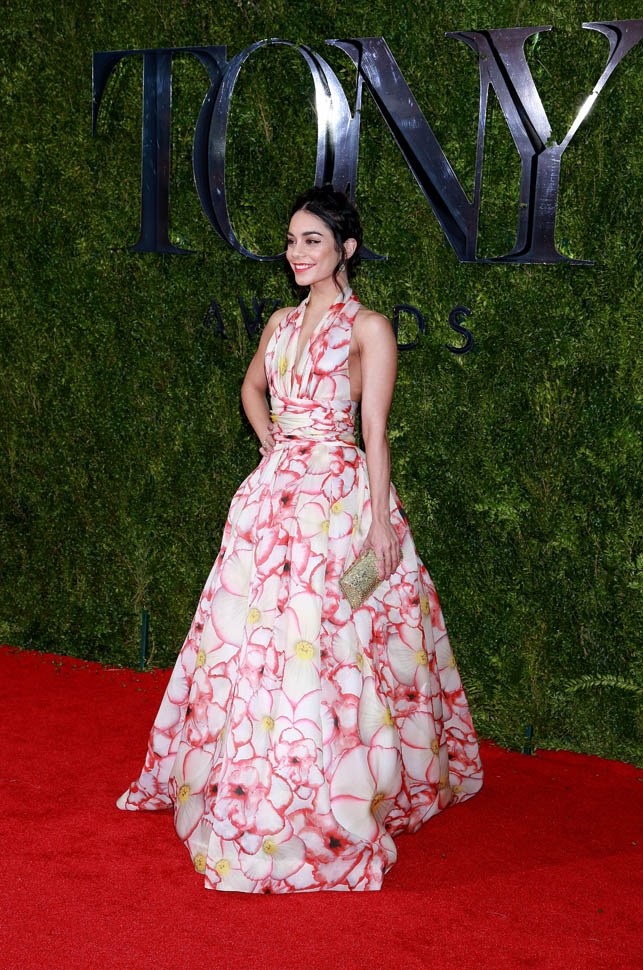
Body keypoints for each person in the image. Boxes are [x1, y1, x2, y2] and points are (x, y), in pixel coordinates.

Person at [116, 185, 483, 892]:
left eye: (312, 240)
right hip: (273, 497)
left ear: (346, 249)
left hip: (336, 502)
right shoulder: (280, 323)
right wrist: (272, 445)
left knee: (337, 640)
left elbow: (374, 431)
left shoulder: (369, 328)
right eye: (291, 240)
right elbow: (250, 388)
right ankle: (254, 772)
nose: (296, 252)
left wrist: (380, 523)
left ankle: (334, 781)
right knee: (249, 640)